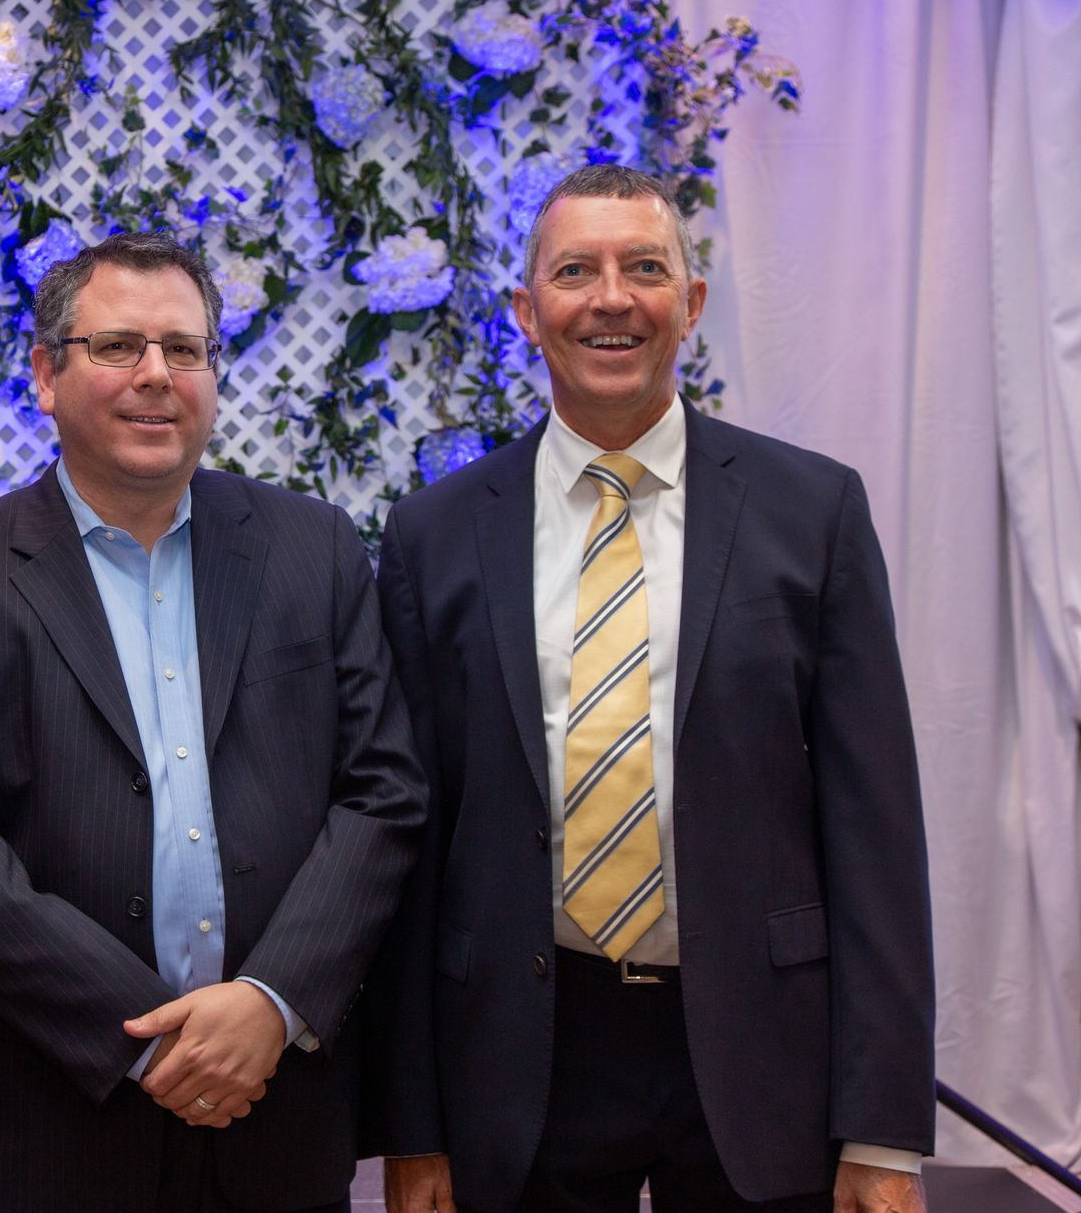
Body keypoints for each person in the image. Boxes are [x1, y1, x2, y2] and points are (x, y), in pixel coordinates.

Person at [365, 165, 933, 1213]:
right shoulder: (433, 536)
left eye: (645, 268)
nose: (612, 299)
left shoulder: (813, 513)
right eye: (575, 272)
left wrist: (884, 1131)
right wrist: (414, 1127)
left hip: (764, 1057)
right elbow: (410, 839)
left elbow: (876, 834)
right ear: (527, 311)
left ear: (692, 301)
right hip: (519, 1060)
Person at [0, 232, 425, 1213]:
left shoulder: (315, 549)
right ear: (45, 374)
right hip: (53, 1119)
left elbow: (382, 796)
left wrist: (270, 1003)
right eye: (117, 346)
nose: (156, 375)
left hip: (279, 1109)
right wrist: (152, 1038)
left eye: (184, 348)